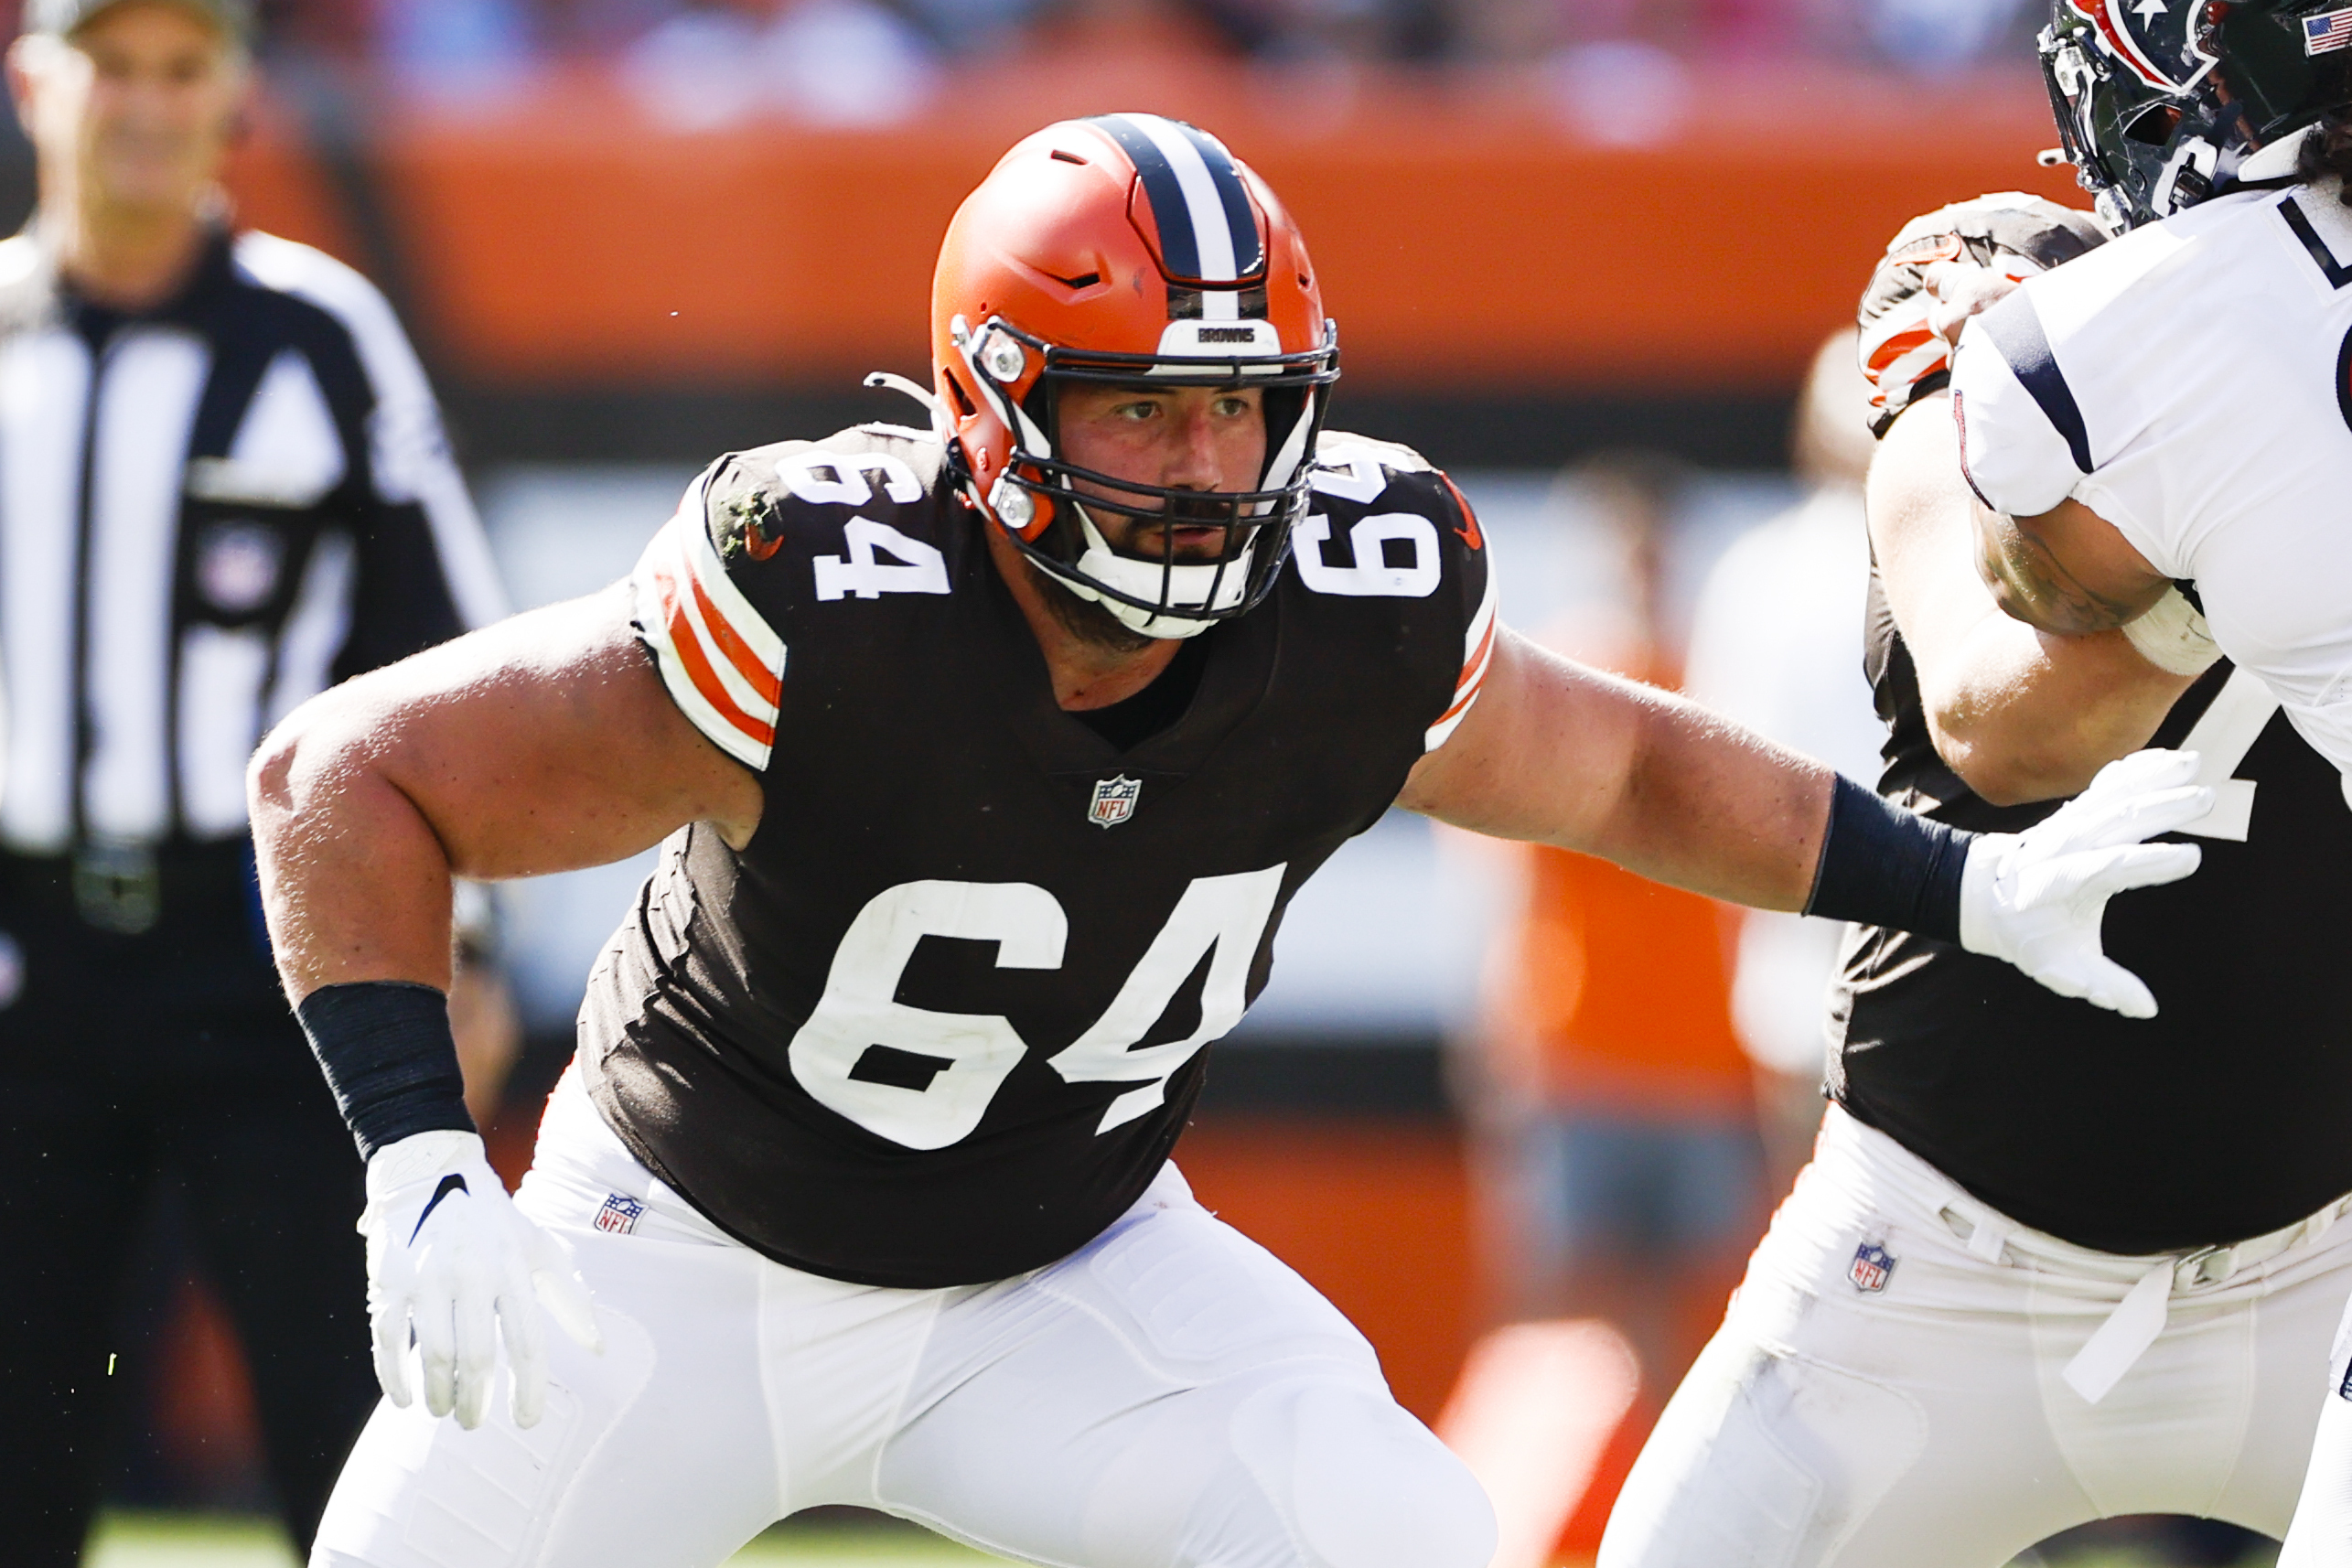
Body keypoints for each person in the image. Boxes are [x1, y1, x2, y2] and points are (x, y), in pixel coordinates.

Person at [250, 113, 2205, 1568]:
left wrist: (1957, 882)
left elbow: (1617, 773)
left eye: (1242, 410)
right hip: (675, 1246)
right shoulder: (824, 583)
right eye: (1141, 416)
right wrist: (419, 1151)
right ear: (993, 403)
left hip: (1067, 1263)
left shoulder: (1355, 589)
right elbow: (345, 774)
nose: (1206, 472)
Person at [1595, 5, 2352, 1560]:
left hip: (2324, 1256)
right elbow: (1995, 715)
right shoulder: (2008, 279)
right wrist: (2248, 513)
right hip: (1939, 1257)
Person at [0, 1, 508, 1562]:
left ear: (232, 93)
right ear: (35, 76)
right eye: (113, 65)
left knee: (351, 1435)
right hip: (26, 961)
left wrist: (464, 947)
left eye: (182, 67)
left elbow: (449, 662)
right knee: (18, 1439)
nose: (145, 106)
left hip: (274, 945)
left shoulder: (316, 334)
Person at [1470, 452, 1765, 1395]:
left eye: (1653, 550)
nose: (1641, 569)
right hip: (1577, 1052)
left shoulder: (1721, 689)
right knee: (1554, 1302)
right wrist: (1500, 1044)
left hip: (1705, 1061)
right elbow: (1501, 891)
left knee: (1695, 1310)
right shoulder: (1542, 688)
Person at [1682, 328, 1884, 1193]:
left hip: (1808, 952)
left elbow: (1715, 773)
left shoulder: (1754, 569)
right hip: (1899, 949)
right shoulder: (1765, 571)